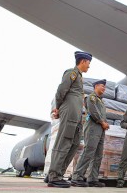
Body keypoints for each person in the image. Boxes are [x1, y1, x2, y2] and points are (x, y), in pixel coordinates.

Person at [47, 51, 92, 188]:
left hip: (77, 115)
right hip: (70, 113)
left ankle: (57, 174)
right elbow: (61, 91)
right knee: (64, 142)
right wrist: (58, 107)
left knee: (74, 143)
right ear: (83, 61)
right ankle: (54, 176)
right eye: (88, 63)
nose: (89, 67)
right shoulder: (71, 73)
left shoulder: (79, 77)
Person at [71, 79, 109, 187]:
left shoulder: (101, 100)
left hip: (101, 129)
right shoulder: (91, 97)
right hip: (93, 127)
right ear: (96, 86)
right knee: (88, 151)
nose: (104, 88)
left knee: (98, 155)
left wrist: (104, 124)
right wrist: (102, 122)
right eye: (102, 86)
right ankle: (77, 176)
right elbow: (93, 111)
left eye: (104, 87)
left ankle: (92, 178)